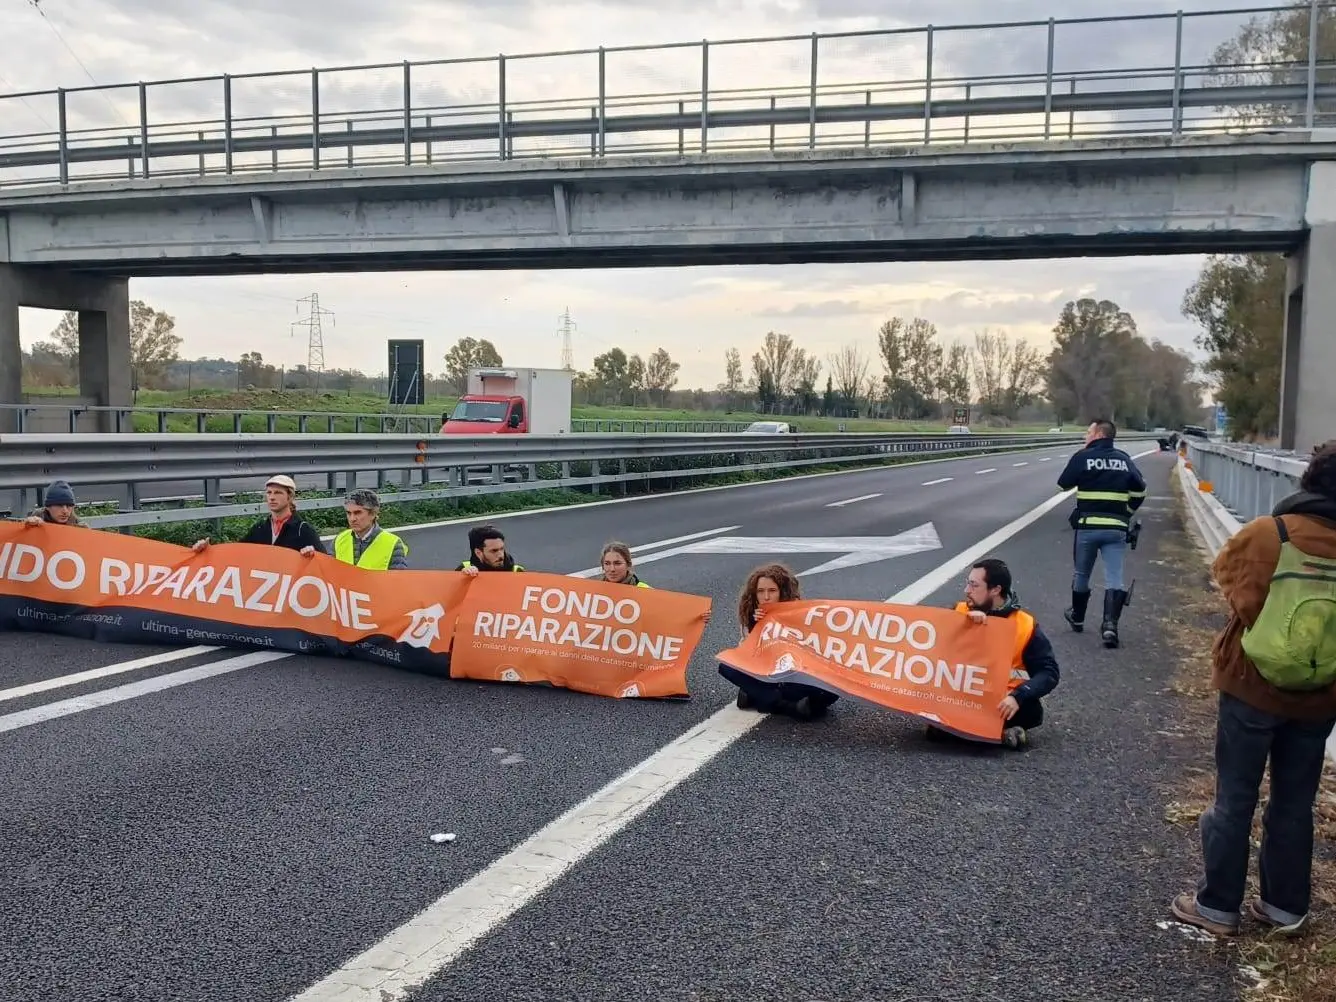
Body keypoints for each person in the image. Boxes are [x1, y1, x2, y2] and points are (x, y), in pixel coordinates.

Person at [1170, 440, 1336, 939]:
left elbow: (1227, 580)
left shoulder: (1270, 534)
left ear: (1308, 480)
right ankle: (1285, 907)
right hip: (1321, 693)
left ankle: (1218, 907)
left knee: (1236, 795)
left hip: (1251, 686)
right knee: (1294, 800)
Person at [944, 557, 1061, 749]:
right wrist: (961, 626)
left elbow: (1049, 673)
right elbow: (929, 650)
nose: (967, 591)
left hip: (1000, 699)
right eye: (968, 584)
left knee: (1029, 709)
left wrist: (1018, 696)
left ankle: (964, 729)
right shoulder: (959, 612)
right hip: (961, 694)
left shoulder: (1024, 625)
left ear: (996, 590)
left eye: (974, 585)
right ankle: (994, 732)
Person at [1056, 418, 1147, 647]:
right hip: (1116, 529)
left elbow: (1063, 484)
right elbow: (1140, 491)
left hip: (1087, 528)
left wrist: (1080, 460)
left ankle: (1077, 618)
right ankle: (1110, 627)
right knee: (1114, 576)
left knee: (1082, 574)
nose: (1085, 437)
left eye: (1088, 432)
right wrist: (1126, 513)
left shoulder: (1083, 457)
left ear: (1098, 435)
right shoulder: (1124, 460)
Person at [718, 562, 837, 721]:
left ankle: (758, 697)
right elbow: (745, 657)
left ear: (783, 592)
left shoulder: (801, 613)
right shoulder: (752, 615)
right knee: (727, 666)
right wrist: (758, 628)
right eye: (761, 591)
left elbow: (809, 655)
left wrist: (781, 624)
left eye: (772, 591)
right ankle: (786, 707)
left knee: (831, 690)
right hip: (767, 675)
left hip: (792, 676)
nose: (766, 597)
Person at [191, 474, 325, 556]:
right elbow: (236, 551)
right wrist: (208, 550)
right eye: (269, 493)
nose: (272, 497)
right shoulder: (260, 528)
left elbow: (324, 561)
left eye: (278, 493)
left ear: (290, 497)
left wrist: (312, 554)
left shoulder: (303, 530)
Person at [332, 489, 408, 570]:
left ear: (373, 514)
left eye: (357, 513)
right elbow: (329, 573)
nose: (352, 519)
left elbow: (397, 580)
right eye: (348, 513)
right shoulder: (339, 539)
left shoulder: (393, 544)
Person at [456, 524, 523, 576]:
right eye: (494, 551)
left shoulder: (518, 572)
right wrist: (463, 579)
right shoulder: (464, 570)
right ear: (478, 553)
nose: (501, 555)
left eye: (502, 549)